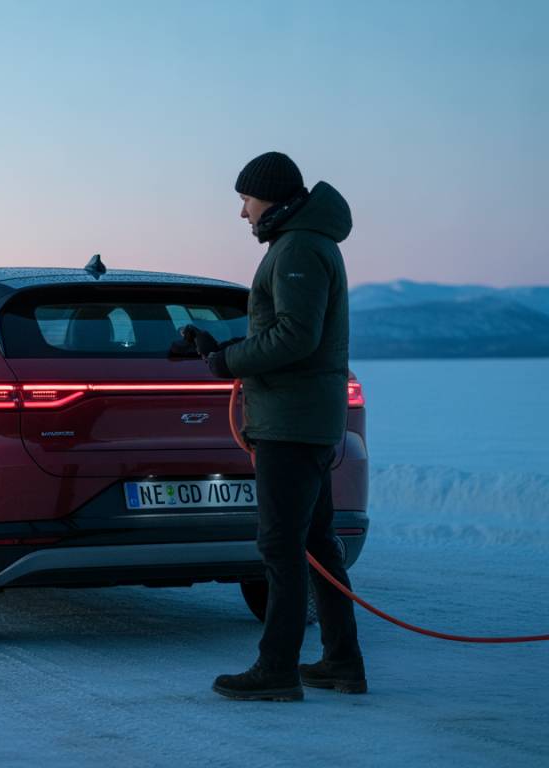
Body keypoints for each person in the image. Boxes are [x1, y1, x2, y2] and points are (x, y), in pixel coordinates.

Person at [187, 151, 366, 701]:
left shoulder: (299, 248)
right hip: (303, 417)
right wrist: (228, 349)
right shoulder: (305, 244)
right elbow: (291, 331)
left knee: (281, 547)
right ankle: (341, 662)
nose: (242, 212)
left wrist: (230, 362)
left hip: (292, 423)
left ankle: (276, 670)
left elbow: (296, 336)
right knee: (314, 542)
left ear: (273, 198)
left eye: (246, 199)